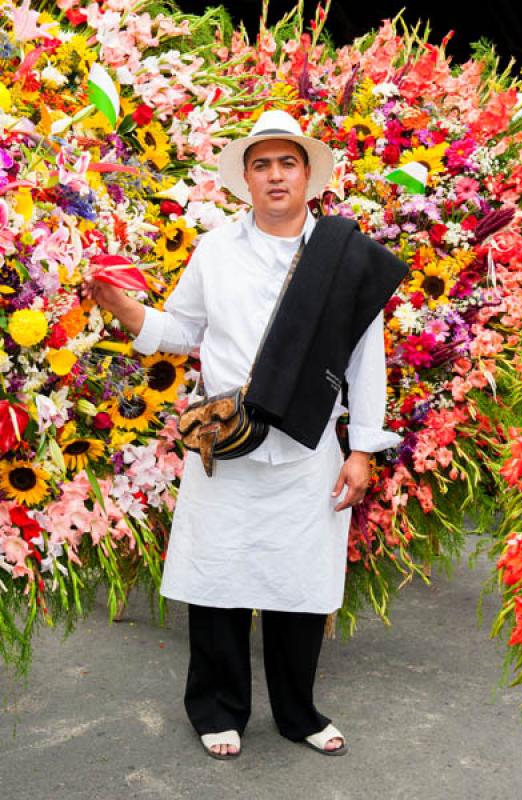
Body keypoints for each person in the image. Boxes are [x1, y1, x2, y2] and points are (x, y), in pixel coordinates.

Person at [83, 110, 403, 760]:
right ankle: (216, 708)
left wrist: (363, 447)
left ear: (308, 175)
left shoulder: (344, 257)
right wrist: (124, 310)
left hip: (309, 449)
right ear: (247, 178)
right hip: (224, 443)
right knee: (218, 579)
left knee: (299, 586)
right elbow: (182, 330)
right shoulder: (215, 248)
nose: (276, 174)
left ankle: (298, 714)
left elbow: (368, 356)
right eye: (262, 164)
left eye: (288, 162)